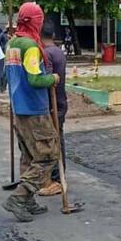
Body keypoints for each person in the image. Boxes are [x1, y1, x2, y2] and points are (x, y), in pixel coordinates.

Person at [2, 2, 60, 222]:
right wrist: (52, 78)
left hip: (18, 107)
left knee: (28, 154)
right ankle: (20, 196)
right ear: (37, 22)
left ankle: (28, 201)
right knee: (48, 155)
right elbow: (36, 79)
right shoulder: (31, 47)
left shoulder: (12, 43)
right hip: (34, 108)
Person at [39, 30, 68, 197]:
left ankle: (57, 180)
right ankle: (58, 176)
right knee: (58, 139)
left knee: (53, 142)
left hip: (53, 104)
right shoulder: (58, 51)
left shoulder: (47, 54)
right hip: (60, 102)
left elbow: (48, 80)